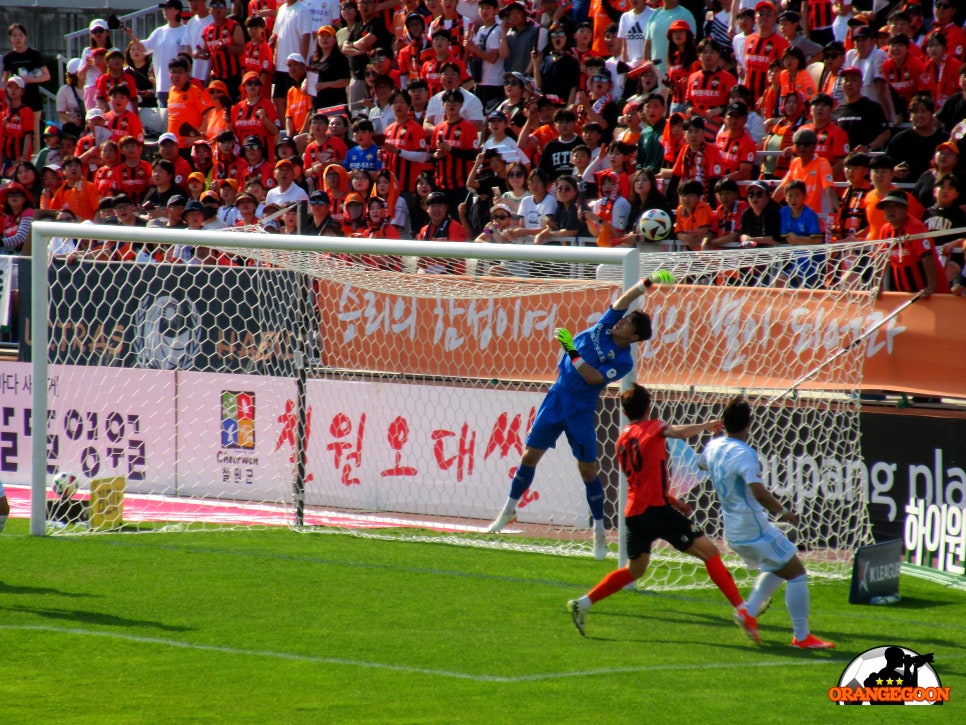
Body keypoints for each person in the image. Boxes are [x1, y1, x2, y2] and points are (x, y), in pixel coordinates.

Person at [486, 271, 673, 559]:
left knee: (587, 471)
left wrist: (571, 349)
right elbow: (625, 298)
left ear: (633, 337)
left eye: (627, 324)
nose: (620, 321)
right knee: (528, 457)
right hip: (556, 398)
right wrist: (647, 283)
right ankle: (508, 511)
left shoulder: (622, 361)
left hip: (580, 410)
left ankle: (599, 533)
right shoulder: (607, 324)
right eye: (623, 318)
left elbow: (591, 377)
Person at [566, 384, 751, 638]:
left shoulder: (622, 439)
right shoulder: (653, 428)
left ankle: (583, 603)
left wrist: (673, 501)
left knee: (635, 570)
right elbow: (680, 432)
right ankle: (743, 610)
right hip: (655, 511)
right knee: (710, 553)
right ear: (648, 407)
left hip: (634, 513)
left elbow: (640, 480)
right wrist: (706, 425)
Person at [700, 397, 835, 649]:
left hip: (732, 530)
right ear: (750, 423)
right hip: (753, 529)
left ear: (724, 423)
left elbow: (701, 463)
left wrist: (715, 439)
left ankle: (748, 612)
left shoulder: (714, 448)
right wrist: (784, 512)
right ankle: (802, 637)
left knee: (778, 564)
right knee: (796, 572)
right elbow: (759, 492)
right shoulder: (745, 454)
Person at [878, 189, 950, 298]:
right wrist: (877, 285)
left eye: (895, 206)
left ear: (906, 209)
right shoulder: (885, 230)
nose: (890, 210)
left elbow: (927, 258)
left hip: (931, 295)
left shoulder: (915, 227)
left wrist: (930, 287)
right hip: (906, 295)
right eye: (887, 206)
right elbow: (881, 260)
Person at [2, 23, 51, 163]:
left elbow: (46, 76)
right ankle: (15, 158)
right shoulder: (8, 57)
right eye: (14, 36)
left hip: (33, 97)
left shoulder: (34, 54)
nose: (18, 38)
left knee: (34, 130)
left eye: (20, 35)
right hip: (16, 100)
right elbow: (5, 80)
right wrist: (7, 100)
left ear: (26, 37)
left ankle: (35, 159)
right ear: (10, 38)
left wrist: (31, 79)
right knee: (15, 130)